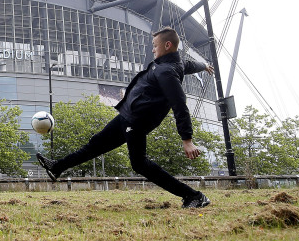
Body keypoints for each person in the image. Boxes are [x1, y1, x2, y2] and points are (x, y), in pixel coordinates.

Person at [37, 27, 214, 209]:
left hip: (137, 122)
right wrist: (204, 66)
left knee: (139, 164)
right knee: (95, 144)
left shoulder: (167, 72)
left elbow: (179, 104)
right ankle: (57, 167)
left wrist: (187, 139)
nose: (152, 49)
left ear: (167, 45)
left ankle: (194, 196)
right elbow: (190, 65)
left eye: (155, 46)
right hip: (126, 117)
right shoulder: (170, 64)